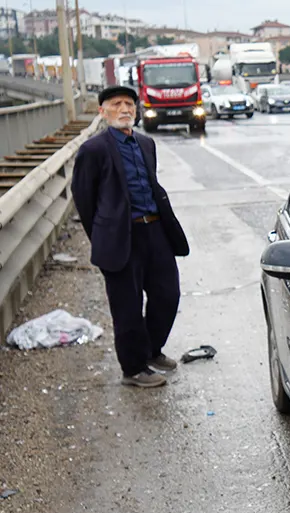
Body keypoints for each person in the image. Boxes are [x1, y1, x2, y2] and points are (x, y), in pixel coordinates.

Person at [70, 85, 190, 388]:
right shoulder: (93, 150)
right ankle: (133, 368)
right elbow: (83, 198)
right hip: (121, 235)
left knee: (167, 294)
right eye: (116, 104)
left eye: (129, 104)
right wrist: (102, 234)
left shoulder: (146, 143)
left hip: (155, 230)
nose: (125, 109)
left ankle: (150, 350)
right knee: (127, 305)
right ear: (103, 111)